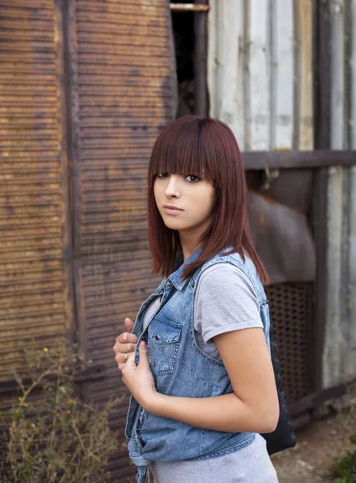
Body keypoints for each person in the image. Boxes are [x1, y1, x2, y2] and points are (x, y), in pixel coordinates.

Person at [113, 116, 279, 483]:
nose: (170, 190)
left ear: (223, 188)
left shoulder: (218, 279)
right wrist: (143, 353)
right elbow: (203, 369)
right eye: (163, 174)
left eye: (192, 178)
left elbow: (262, 412)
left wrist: (151, 398)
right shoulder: (194, 266)